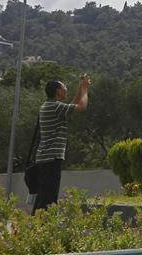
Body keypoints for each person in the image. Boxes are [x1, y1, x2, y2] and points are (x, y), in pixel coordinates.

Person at [32, 74, 90, 214]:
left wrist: (80, 88)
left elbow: (72, 105)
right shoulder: (55, 107)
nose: (66, 88)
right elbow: (81, 107)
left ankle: (34, 229)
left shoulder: (51, 106)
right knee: (48, 199)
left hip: (46, 158)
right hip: (51, 159)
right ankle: (42, 229)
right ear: (58, 91)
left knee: (43, 196)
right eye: (64, 86)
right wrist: (85, 89)